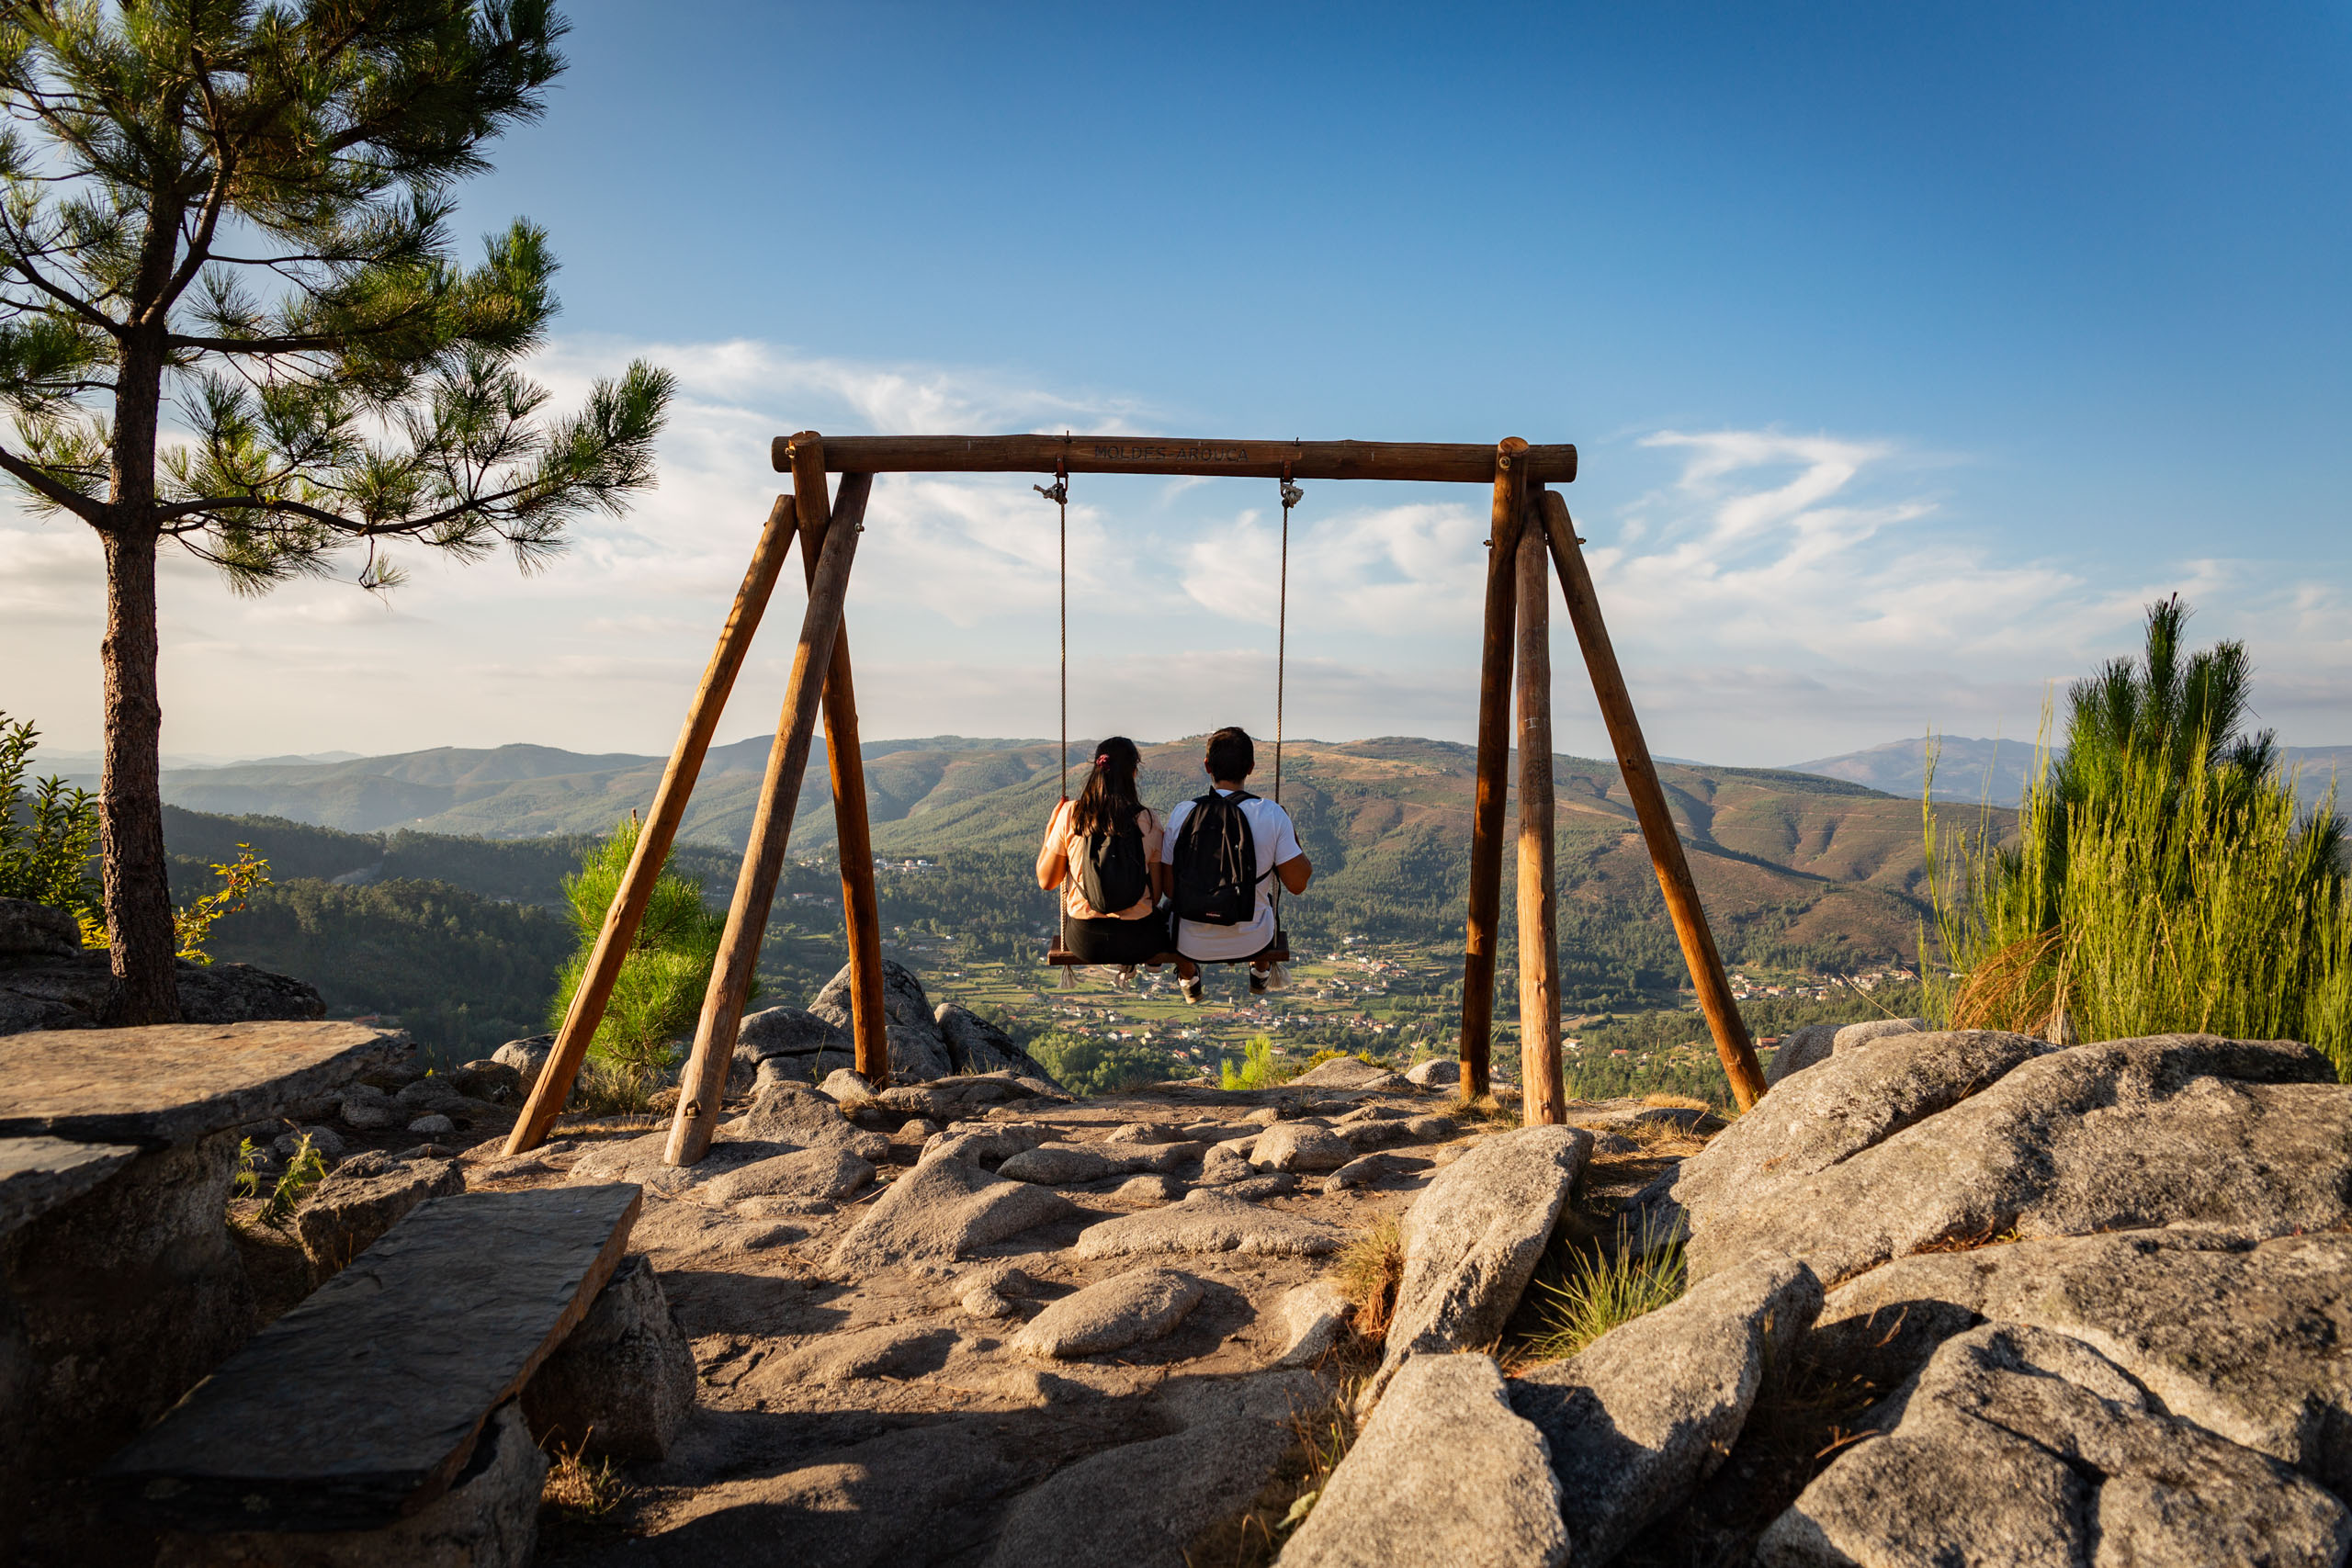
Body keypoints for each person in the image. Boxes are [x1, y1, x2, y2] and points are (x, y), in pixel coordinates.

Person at [1162, 726, 1311, 1002]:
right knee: (1263, 895)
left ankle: (1188, 976)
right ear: (1251, 767)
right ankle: (1260, 969)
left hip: (1191, 942)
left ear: (1207, 766)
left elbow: (1170, 889)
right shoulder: (1272, 814)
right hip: (1254, 939)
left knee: (1170, 906)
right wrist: (1288, 832)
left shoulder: (1183, 813)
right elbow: (1297, 884)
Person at [1035, 736, 1170, 968]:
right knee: (1165, 916)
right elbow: (1156, 895)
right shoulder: (1148, 820)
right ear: (1134, 773)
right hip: (1137, 940)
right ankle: (1140, 965)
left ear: (1097, 768)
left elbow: (1046, 881)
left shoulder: (1071, 814)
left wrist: (1050, 828)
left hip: (1087, 942)